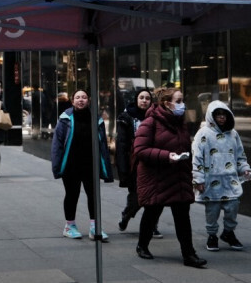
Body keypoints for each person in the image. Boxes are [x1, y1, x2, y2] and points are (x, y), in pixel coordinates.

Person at [133, 87, 206, 268]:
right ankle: (142, 245)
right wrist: (167, 156)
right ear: (167, 103)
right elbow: (140, 150)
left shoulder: (179, 122)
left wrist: (192, 174)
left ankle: (189, 255)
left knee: (182, 217)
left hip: (178, 176)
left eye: (182, 100)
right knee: (152, 213)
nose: (182, 105)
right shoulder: (150, 122)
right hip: (157, 178)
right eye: (179, 101)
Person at [51, 89, 113, 242]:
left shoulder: (96, 119)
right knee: (72, 195)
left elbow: (103, 144)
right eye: (77, 97)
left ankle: (95, 227)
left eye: (84, 97)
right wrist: (57, 165)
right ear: (72, 101)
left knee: (93, 196)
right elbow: (57, 144)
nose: (81, 100)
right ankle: (69, 226)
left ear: (89, 100)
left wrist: (106, 165)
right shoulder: (65, 119)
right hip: (71, 165)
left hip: (90, 164)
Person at [192, 100, 251, 252]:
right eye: (218, 115)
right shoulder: (203, 134)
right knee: (212, 212)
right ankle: (212, 236)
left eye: (224, 114)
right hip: (211, 181)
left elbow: (240, 156)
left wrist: (244, 168)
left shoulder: (234, 134)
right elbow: (196, 158)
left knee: (233, 208)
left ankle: (228, 232)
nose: (221, 118)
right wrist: (198, 179)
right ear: (212, 116)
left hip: (230, 180)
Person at [115, 89, 162, 238]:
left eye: (147, 98)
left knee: (156, 196)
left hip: (153, 162)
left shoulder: (157, 117)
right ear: (136, 99)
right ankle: (127, 214)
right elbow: (121, 144)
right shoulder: (126, 117)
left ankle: (152, 225)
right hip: (134, 163)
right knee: (137, 197)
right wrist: (122, 169)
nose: (144, 101)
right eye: (141, 98)